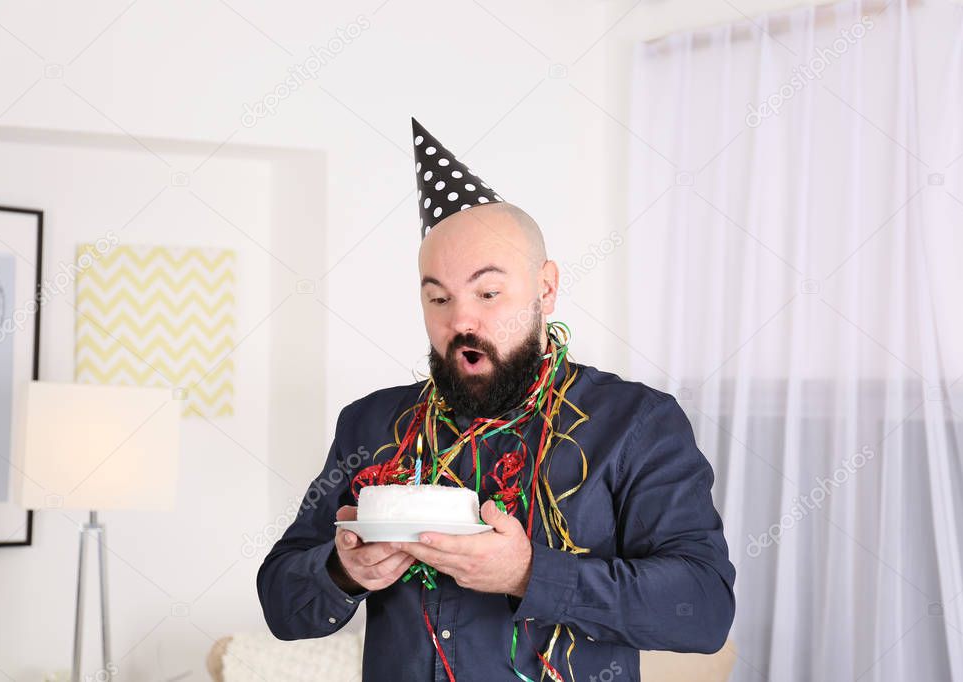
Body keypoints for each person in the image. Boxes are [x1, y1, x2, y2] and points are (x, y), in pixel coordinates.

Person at [256, 118, 736, 681]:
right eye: (439, 298)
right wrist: (343, 569)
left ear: (546, 288)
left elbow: (703, 609)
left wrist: (529, 574)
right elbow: (281, 606)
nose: (461, 320)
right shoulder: (370, 423)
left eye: (488, 293)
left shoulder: (637, 423)